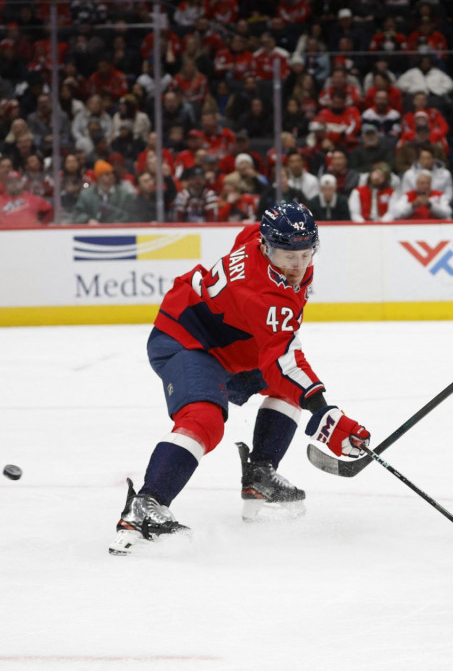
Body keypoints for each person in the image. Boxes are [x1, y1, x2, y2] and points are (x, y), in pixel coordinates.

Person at [110, 202, 372, 555]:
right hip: (185, 339)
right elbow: (284, 361)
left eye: (305, 253)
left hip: (234, 344)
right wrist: (327, 417)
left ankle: (260, 474)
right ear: (265, 247)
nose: (296, 265)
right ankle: (143, 509)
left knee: (287, 390)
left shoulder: (257, 239)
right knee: (205, 419)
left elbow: (280, 359)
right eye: (284, 255)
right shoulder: (265, 293)